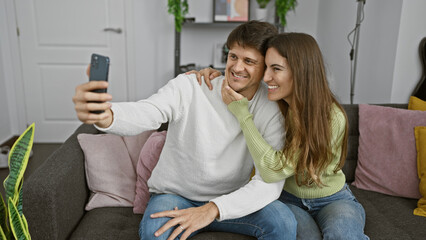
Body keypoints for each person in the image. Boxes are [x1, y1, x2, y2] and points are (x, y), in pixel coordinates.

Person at [72, 21, 296, 240]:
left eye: (249, 61)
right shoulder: (191, 86)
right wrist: (107, 115)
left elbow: (269, 183)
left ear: (266, 68)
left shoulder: (270, 109)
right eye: (233, 56)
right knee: (156, 234)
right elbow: (149, 111)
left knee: (283, 223)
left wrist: (212, 209)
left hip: (231, 199)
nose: (237, 67)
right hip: (176, 196)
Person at [195, 32, 369, 239]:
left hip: (332, 198)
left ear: (301, 72)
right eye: (266, 67)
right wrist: (213, 75)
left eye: (276, 69)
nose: (266, 77)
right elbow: (241, 79)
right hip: (286, 198)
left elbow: (273, 170)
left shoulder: (332, 117)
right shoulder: (272, 103)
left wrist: (243, 114)